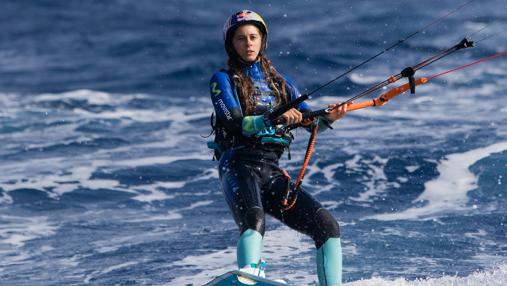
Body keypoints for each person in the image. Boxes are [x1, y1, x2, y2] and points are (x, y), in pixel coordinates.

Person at [208, 10, 348, 286]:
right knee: (254, 219)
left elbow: (311, 122)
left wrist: (330, 117)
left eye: (253, 37)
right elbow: (235, 123)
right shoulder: (222, 80)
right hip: (239, 164)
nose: (248, 43)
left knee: (328, 227)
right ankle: (248, 281)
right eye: (240, 39)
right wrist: (274, 117)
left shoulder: (281, 84)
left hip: (270, 170)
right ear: (231, 44)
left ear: (262, 41)